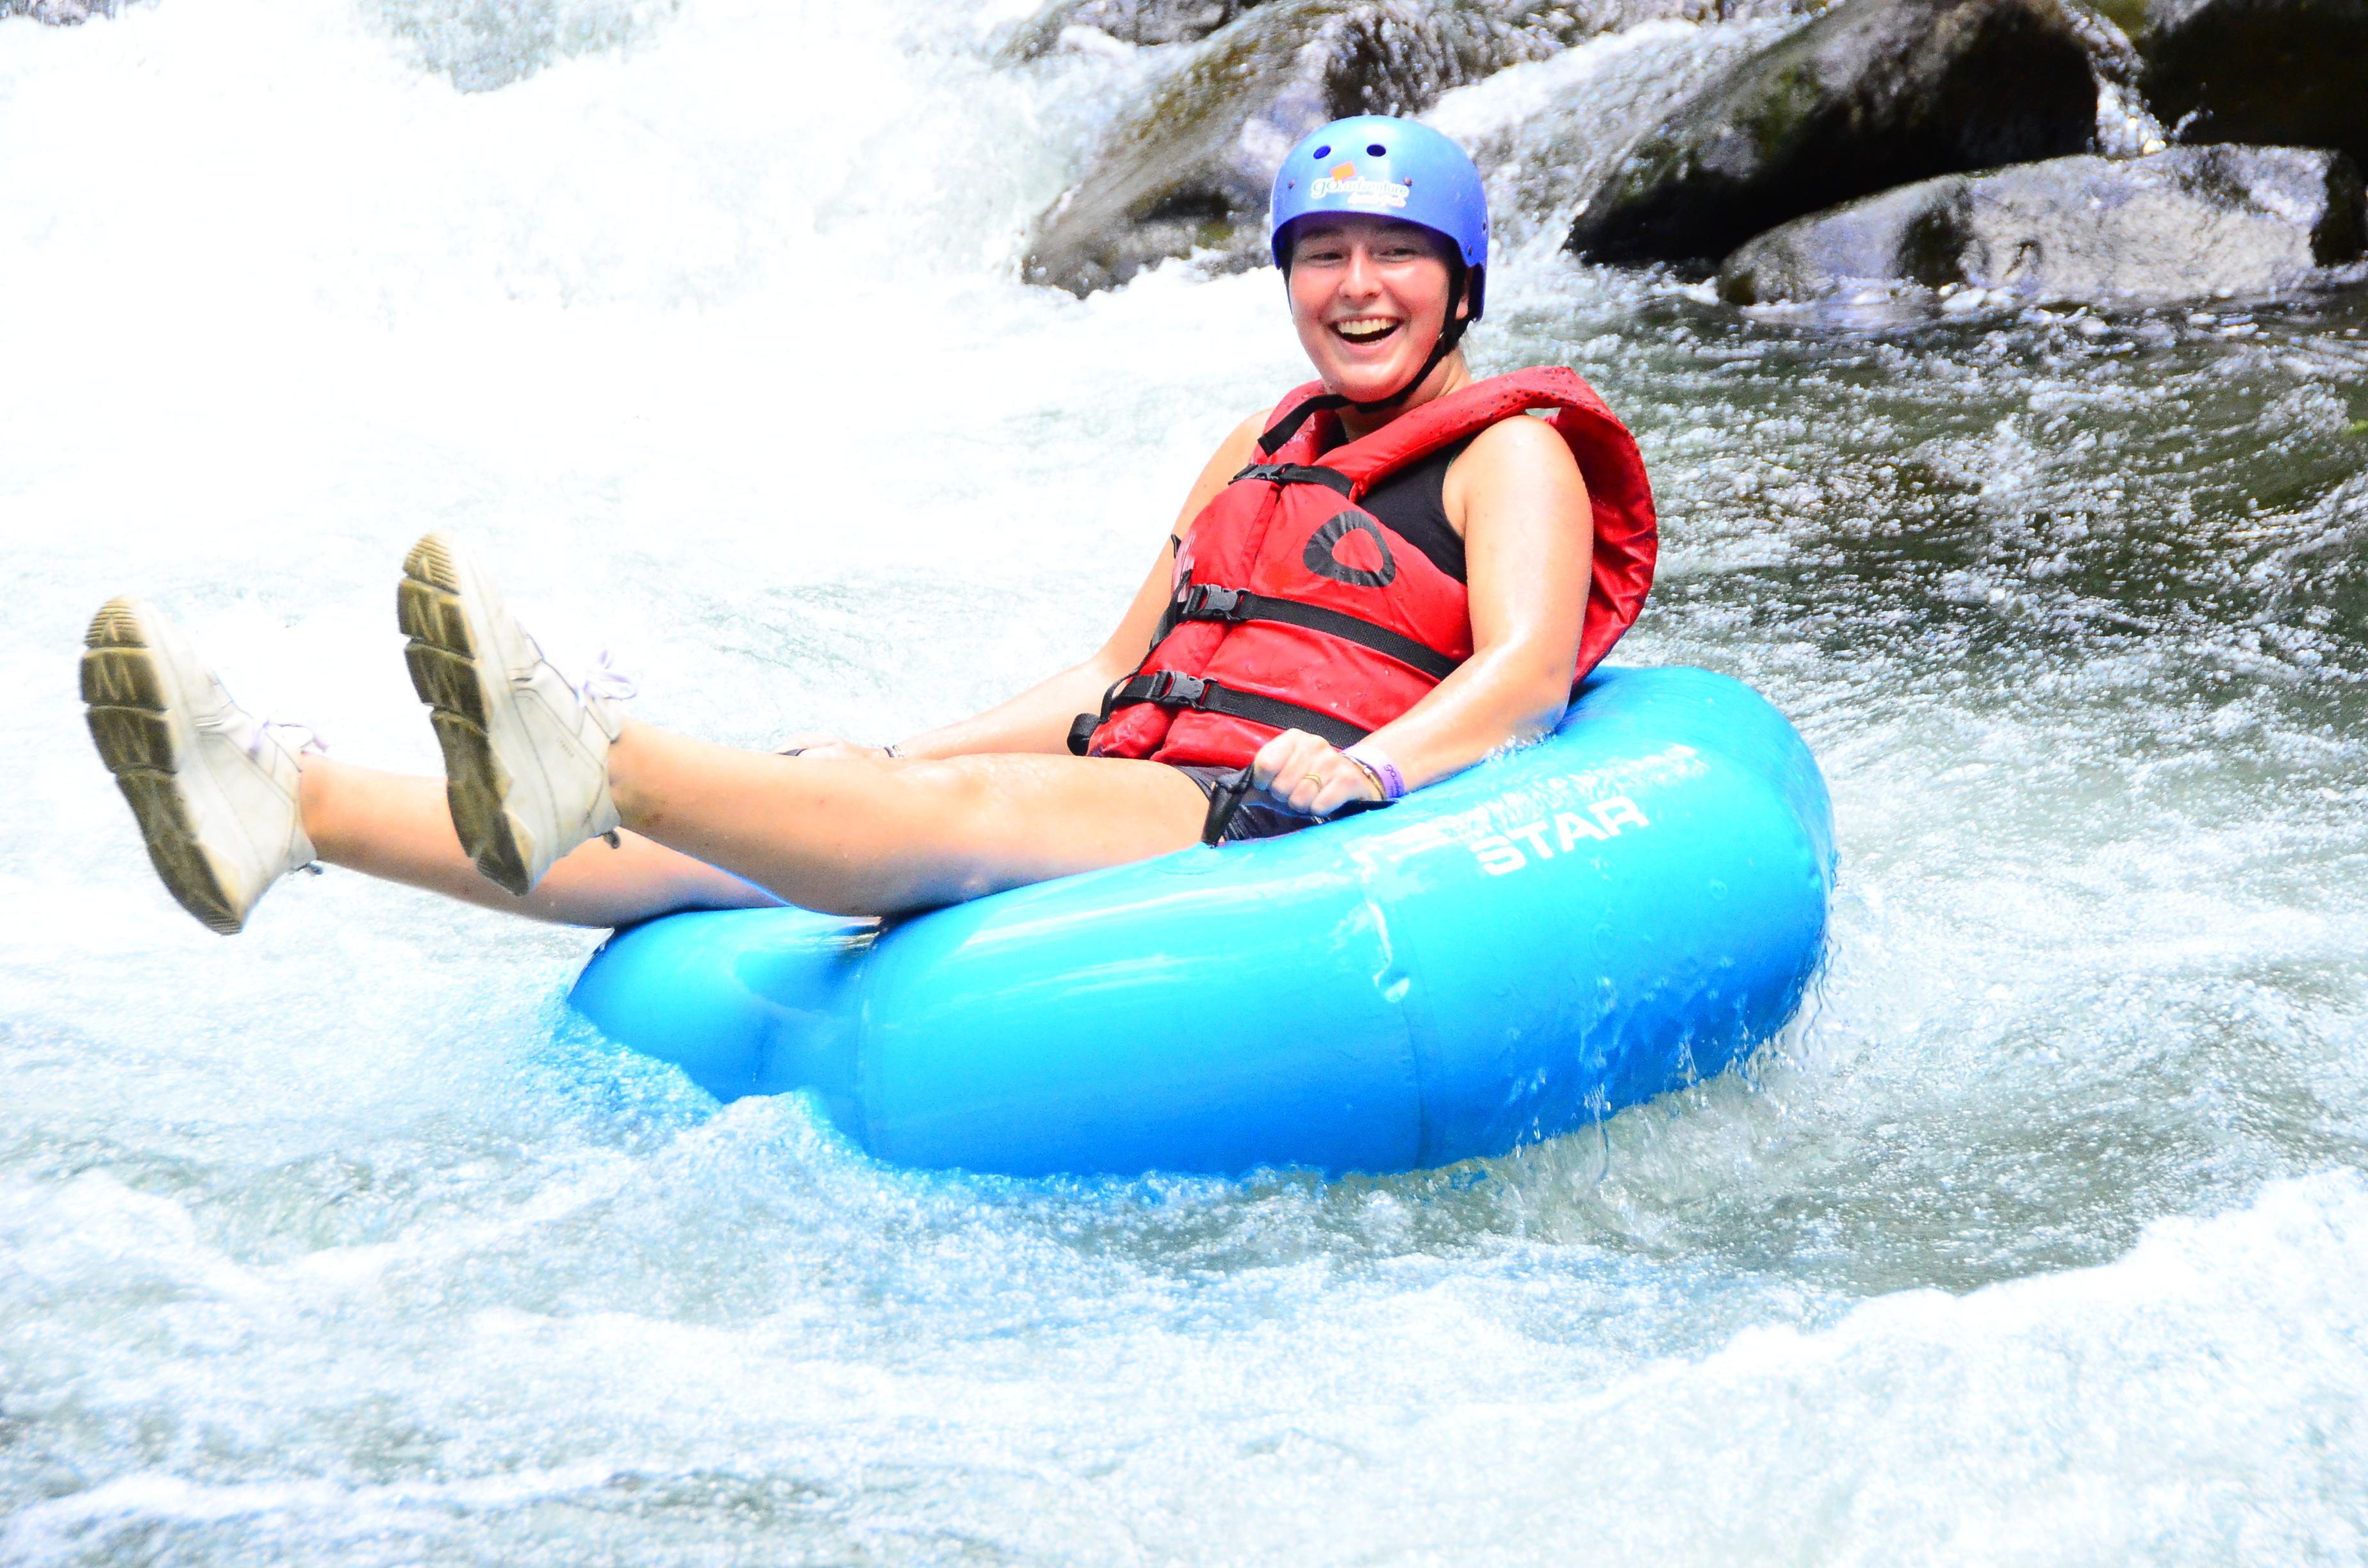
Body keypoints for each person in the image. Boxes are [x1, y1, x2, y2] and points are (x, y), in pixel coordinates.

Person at [79, 115, 1654, 936]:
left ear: (1461, 280)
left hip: (1272, 810)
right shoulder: (1260, 441)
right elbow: (1121, 670)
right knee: (819, 800)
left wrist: (1360, 770)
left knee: (943, 814)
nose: (1357, 290)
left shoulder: (1510, 452)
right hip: (1156, 768)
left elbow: (1519, 677)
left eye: (1396, 255)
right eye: (1324, 257)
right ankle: (287, 801)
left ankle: (595, 751)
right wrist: (898, 760)